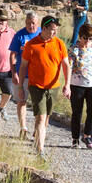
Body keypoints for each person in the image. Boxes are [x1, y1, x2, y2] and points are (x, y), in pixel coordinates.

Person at [19, 15, 70, 159]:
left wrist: (67, 85)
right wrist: (20, 87)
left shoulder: (59, 44)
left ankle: (38, 139)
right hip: (36, 86)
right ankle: (41, 150)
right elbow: (23, 66)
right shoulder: (32, 44)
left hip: (53, 87)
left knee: (46, 117)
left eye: (56, 30)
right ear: (44, 28)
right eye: (52, 30)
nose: (54, 33)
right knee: (41, 118)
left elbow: (66, 65)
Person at [68, 22, 92, 149]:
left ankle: (87, 136)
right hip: (77, 84)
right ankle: (75, 139)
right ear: (80, 36)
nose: (87, 41)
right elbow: (69, 67)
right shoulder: (74, 49)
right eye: (85, 38)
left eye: (90, 38)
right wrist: (67, 85)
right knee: (77, 112)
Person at [8, 11, 41, 140]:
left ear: (37, 23)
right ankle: (23, 128)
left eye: (33, 23)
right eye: (28, 23)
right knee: (21, 101)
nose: (30, 25)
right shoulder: (19, 35)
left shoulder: (41, 34)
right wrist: (13, 73)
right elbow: (12, 55)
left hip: (37, 76)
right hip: (22, 75)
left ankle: (38, 129)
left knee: (38, 104)